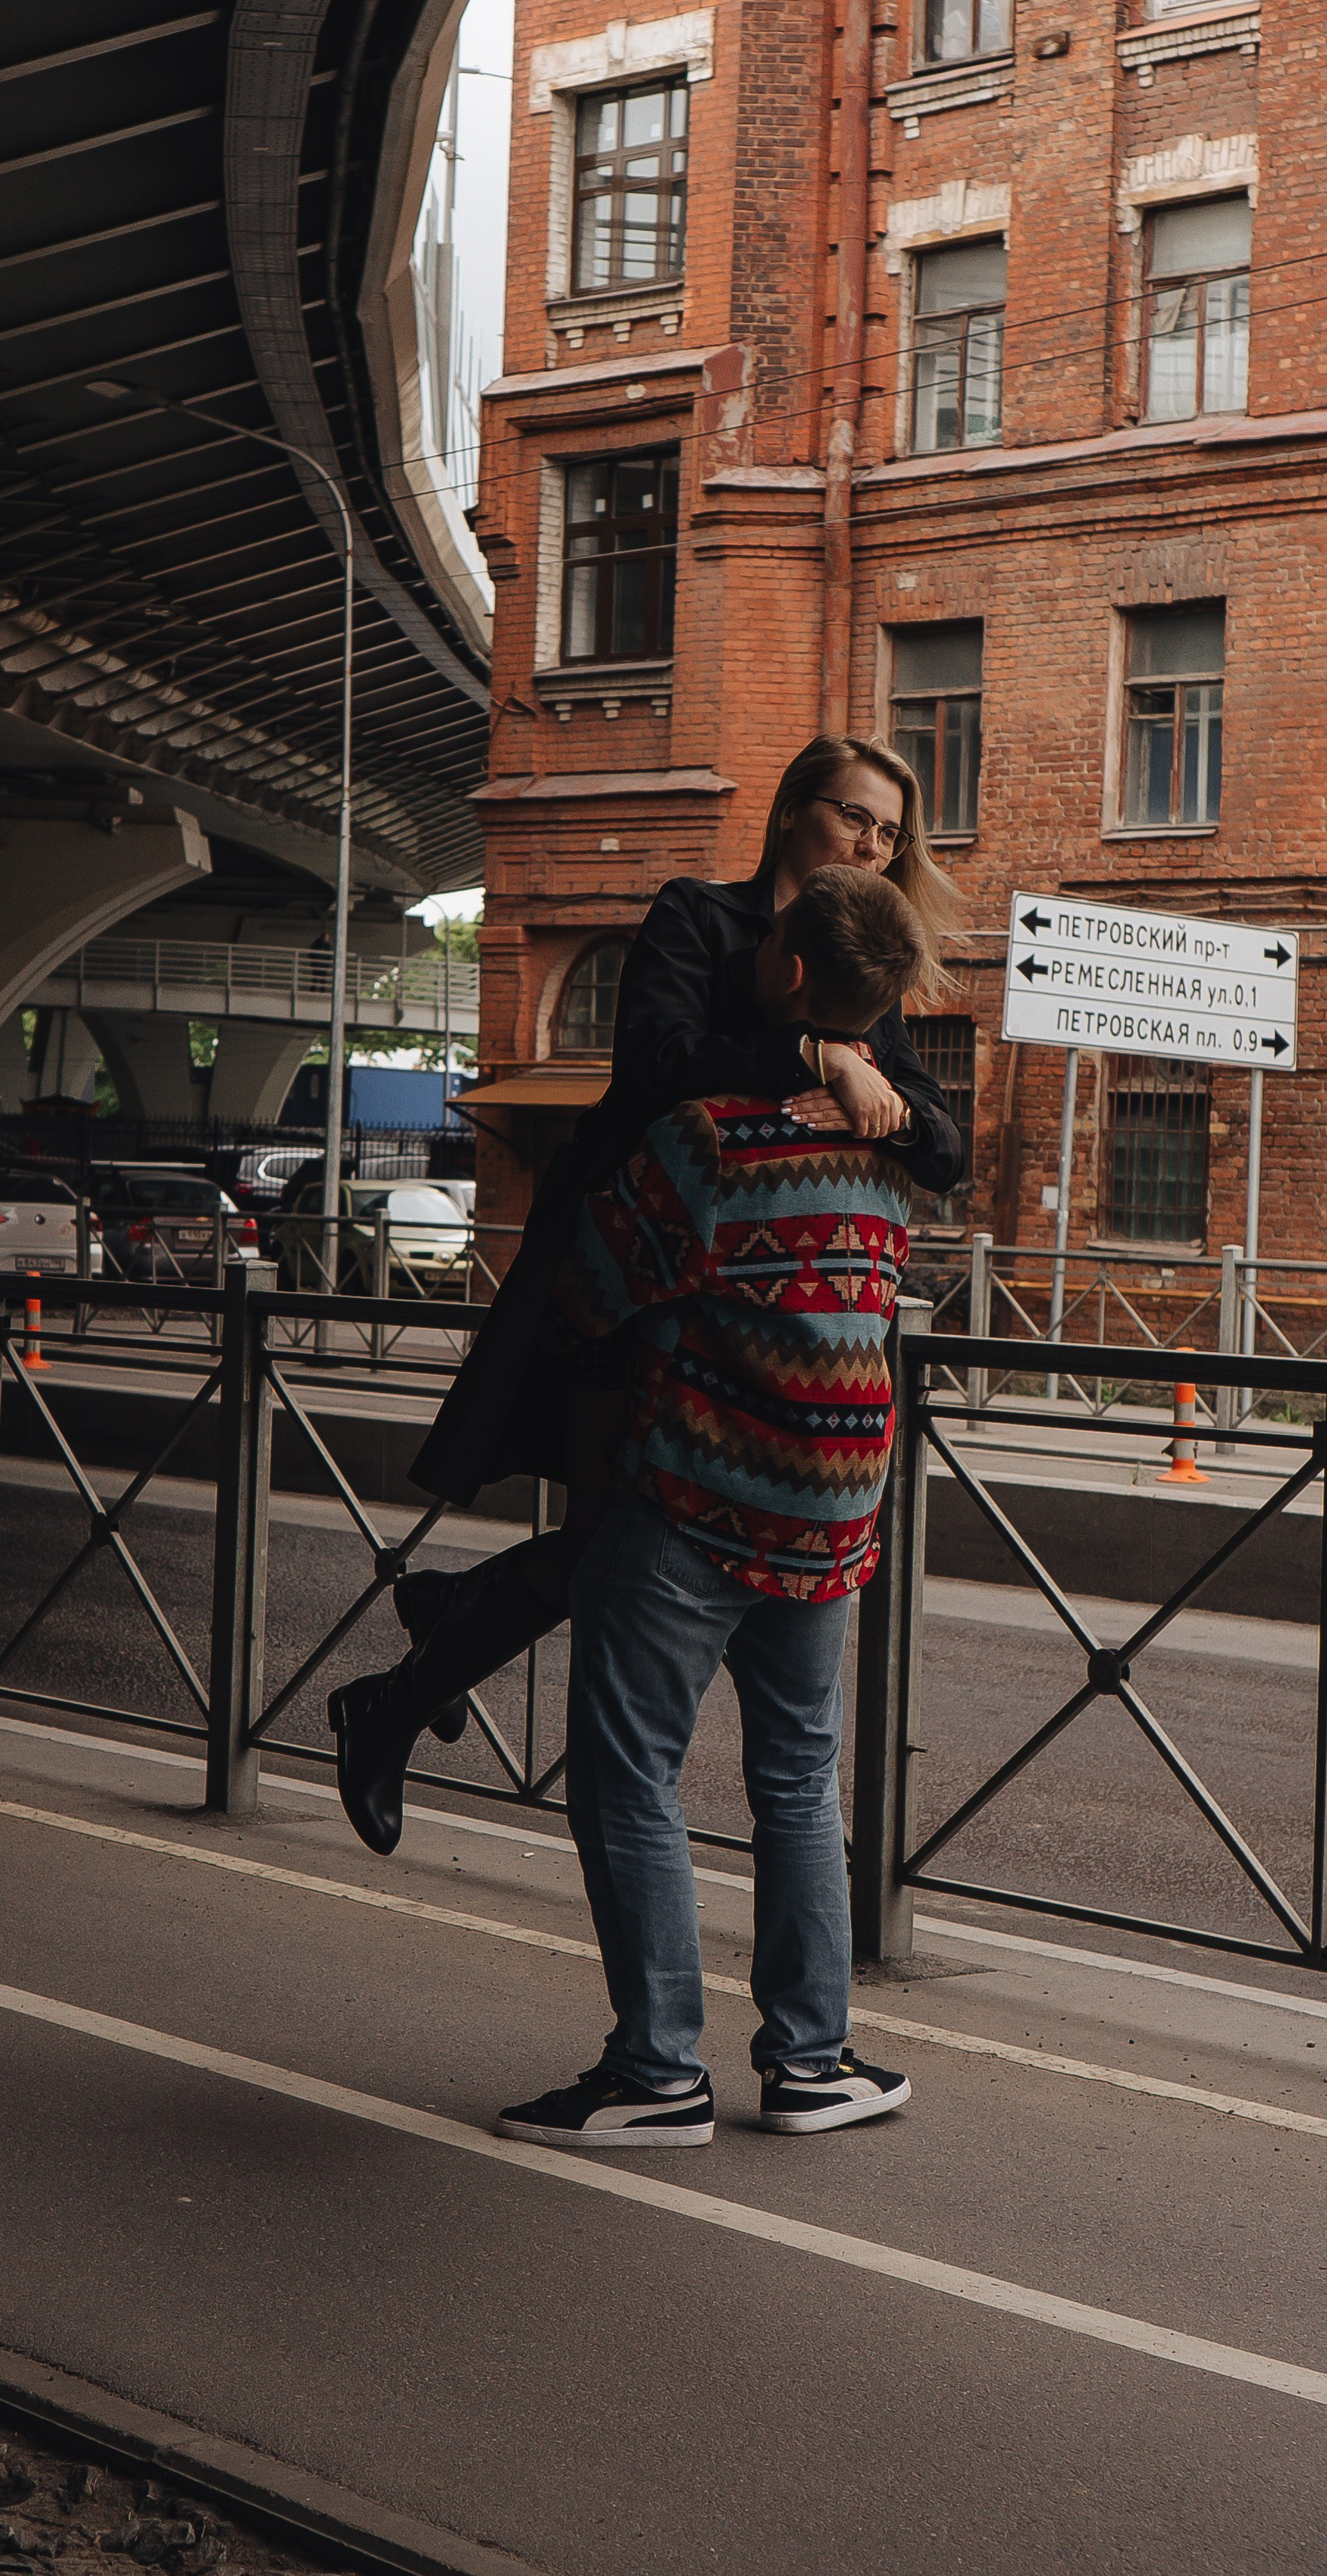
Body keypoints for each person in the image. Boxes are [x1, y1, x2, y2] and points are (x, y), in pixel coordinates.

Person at [328, 733, 965, 1850]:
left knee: (611, 1553)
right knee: (620, 1544)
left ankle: (418, 1665)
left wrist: (886, 1098)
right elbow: (655, 1070)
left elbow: (945, 1144)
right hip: (622, 1285)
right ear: (790, 814)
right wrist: (817, 1062)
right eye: (855, 818)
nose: (873, 843)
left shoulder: (865, 955)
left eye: (890, 831)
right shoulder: (700, 917)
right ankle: (413, 1673)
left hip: (747, 1334)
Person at [496, 865, 925, 2147]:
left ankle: (655, 2076)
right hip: (840, 1507)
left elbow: (588, 1291)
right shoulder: (886, 1146)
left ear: (786, 974)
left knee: (630, 1779)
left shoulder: (714, 1142)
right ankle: (812, 2063)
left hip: (700, 1497)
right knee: (797, 1782)